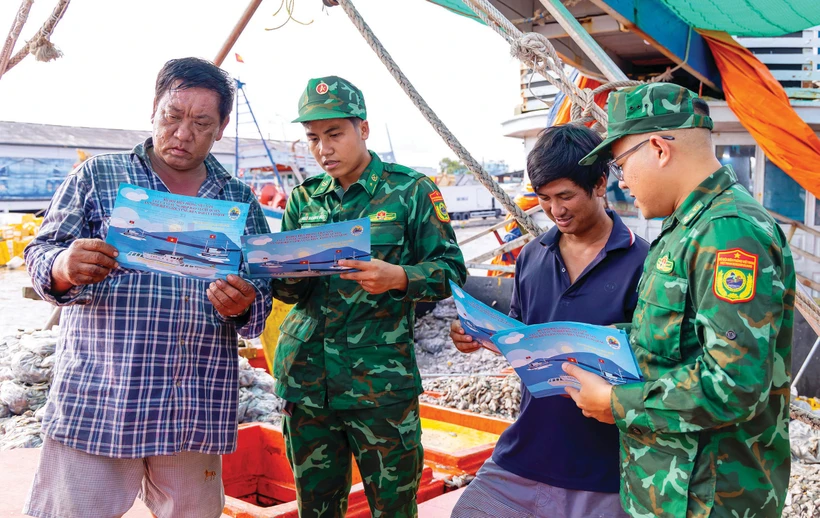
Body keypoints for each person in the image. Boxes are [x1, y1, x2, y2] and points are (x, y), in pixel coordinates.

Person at [23, 57, 272, 518]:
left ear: (221, 128)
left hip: (192, 405)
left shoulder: (238, 199)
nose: (183, 133)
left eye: (201, 122)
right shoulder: (97, 176)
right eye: (173, 117)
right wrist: (63, 265)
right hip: (101, 400)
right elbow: (39, 254)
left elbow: (260, 301)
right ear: (153, 110)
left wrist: (243, 304)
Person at [565, 83, 795, 518]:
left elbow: (735, 384)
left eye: (620, 164)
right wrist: (595, 344)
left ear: (658, 148)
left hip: (709, 497)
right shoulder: (688, 226)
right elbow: (673, 337)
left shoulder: (728, 233)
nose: (622, 182)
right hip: (671, 489)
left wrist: (616, 403)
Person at [271, 76, 467, 518]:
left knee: (394, 508)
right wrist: (281, 270)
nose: (324, 149)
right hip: (306, 383)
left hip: (379, 385)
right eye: (313, 138)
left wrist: (399, 276)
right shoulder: (303, 200)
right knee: (316, 509)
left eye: (335, 134)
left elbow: (452, 272)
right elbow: (287, 292)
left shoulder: (411, 191)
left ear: (363, 129)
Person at [450, 123, 649, 518]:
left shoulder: (644, 264)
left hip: (604, 468)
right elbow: (518, 331)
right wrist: (478, 336)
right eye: (543, 198)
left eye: (565, 196)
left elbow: (654, 362)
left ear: (599, 184)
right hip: (526, 450)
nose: (555, 210)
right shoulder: (531, 257)